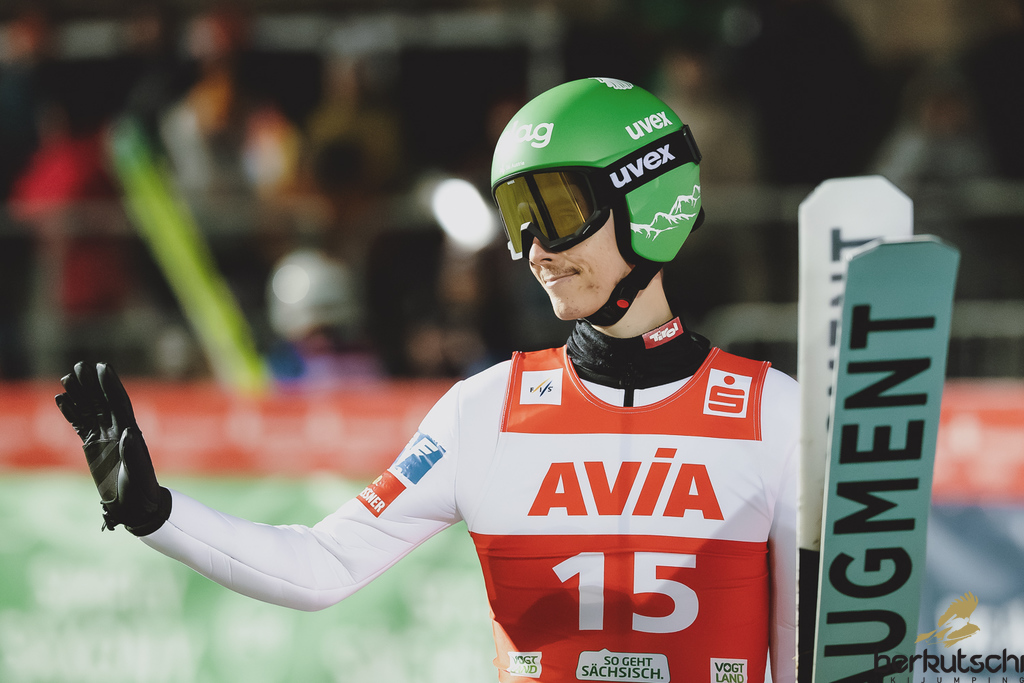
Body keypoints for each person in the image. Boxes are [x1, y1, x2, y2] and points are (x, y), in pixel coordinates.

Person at [56, 77, 797, 683]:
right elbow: (321, 565)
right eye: (520, 217)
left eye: (558, 210)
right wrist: (154, 512)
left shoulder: (776, 414)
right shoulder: (486, 409)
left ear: (648, 200)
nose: (536, 250)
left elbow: (812, 658)